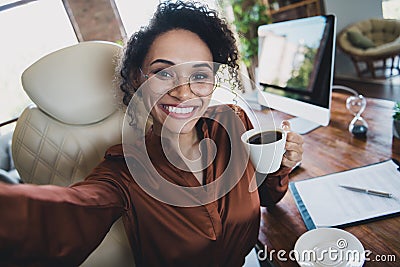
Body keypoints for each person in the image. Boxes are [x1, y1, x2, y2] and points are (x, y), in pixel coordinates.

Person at [0, 1, 303, 266]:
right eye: (163, 72)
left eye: (199, 75)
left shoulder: (233, 124)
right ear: (136, 79)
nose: (183, 92)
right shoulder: (124, 170)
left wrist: (280, 165)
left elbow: (265, 194)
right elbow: (64, 216)